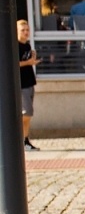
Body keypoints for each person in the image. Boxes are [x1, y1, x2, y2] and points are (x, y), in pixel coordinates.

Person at [16, 18, 39, 150]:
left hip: (29, 81)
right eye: (22, 30)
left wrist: (32, 60)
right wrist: (28, 62)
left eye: (27, 30)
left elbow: (27, 61)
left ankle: (25, 140)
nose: (26, 32)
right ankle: (19, 139)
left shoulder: (27, 45)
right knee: (26, 113)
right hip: (21, 84)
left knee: (28, 114)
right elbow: (15, 63)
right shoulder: (15, 46)